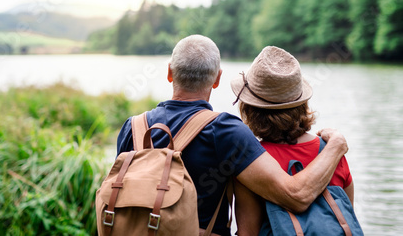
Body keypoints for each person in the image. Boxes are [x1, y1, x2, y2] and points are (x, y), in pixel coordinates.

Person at [116, 35, 348, 236]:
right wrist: (336, 145)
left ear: (169, 73)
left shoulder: (133, 127)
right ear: (217, 79)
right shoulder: (225, 130)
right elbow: (295, 195)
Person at [230, 46, 354, 235]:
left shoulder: (252, 162)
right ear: (301, 104)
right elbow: (347, 218)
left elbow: (248, 232)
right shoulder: (331, 152)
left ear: (250, 108)